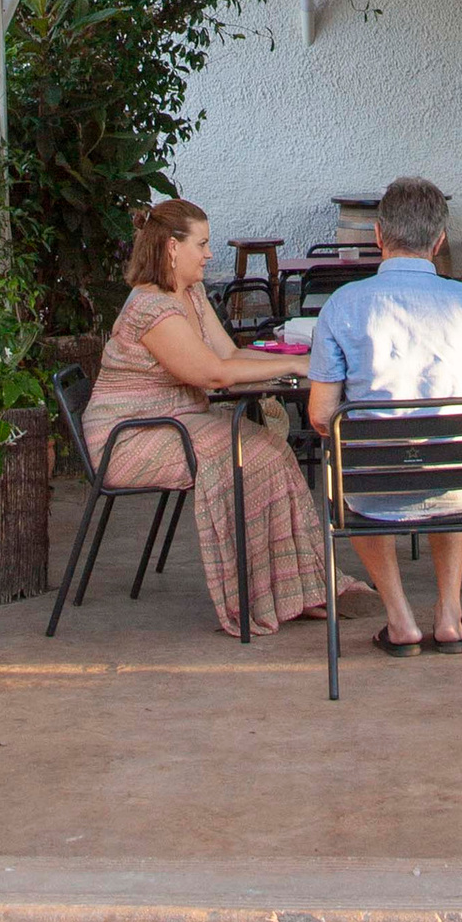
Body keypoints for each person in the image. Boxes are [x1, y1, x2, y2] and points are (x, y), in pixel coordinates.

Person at [84, 199, 334, 637]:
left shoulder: (191, 294)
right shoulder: (150, 308)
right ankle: (263, 594)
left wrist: (297, 361)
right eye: (201, 244)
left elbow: (229, 354)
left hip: (170, 421)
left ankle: (297, 588)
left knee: (271, 448)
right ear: (171, 248)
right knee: (251, 455)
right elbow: (212, 375)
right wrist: (296, 366)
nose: (209, 254)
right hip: (128, 438)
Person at [304, 175, 462, 653]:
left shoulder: (342, 305)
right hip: (461, 484)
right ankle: (449, 613)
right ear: (440, 241)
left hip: (372, 486)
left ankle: (399, 618)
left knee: (349, 463)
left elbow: (321, 415)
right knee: (457, 446)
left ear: (377, 235)